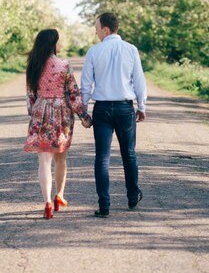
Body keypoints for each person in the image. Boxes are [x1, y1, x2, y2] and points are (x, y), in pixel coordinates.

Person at [81, 12, 147, 217]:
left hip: (101, 109)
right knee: (129, 154)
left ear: (106, 30)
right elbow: (139, 80)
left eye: (97, 28)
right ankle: (132, 198)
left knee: (102, 158)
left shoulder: (94, 51)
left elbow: (85, 85)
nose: (95, 32)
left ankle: (104, 206)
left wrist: (83, 111)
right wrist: (141, 106)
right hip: (125, 108)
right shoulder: (131, 49)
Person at [24, 28, 92, 219]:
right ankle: (59, 196)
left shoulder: (33, 65)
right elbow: (73, 95)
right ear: (53, 44)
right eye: (59, 41)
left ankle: (46, 203)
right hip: (61, 116)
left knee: (43, 161)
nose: (60, 45)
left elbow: (30, 96)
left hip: (40, 114)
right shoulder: (63, 65)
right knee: (60, 158)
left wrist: (35, 112)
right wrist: (84, 117)